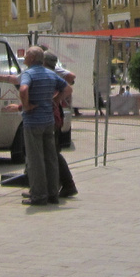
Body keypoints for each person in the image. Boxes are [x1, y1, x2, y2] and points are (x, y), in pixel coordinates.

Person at [17, 46, 67, 206]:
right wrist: (55, 100)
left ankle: (39, 195)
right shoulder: (50, 74)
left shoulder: (28, 74)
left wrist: (26, 106)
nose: (24, 58)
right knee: (50, 158)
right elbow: (67, 88)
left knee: (35, 160)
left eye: (26, 56)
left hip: (33, 122)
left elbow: (23, 89)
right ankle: (53, 193)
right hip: (48, 121)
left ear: (31, 59)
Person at [43, 52, 80, 199]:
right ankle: (60, 184)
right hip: (55, 116)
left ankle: (67, 184)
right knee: (53, 152)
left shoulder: (52, 74)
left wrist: (55, 99)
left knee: (53, 153)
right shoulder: (53, 73)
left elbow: (69, 86)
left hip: (53, 117)